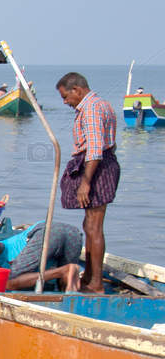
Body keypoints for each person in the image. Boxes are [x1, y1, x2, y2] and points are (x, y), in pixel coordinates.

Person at [55, 72, 119, 293]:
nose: (65, 102)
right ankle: (90, 275)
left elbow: (94, 149)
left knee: (94, 226)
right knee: (89, 225)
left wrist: (86, 182)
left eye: (65, 97)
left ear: (77, 90)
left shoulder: (91, 109)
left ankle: (96, 283)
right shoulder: (101, 104)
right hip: (102, 165)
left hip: (97, 168)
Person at [0, 220, 84, 293]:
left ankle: (62, 271)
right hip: (74, 233)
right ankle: (70, 293)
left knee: (9, 282)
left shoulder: (4, 250)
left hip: (48, 231)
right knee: (67, 279)